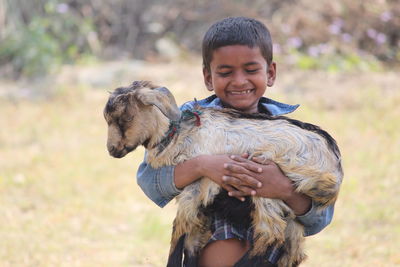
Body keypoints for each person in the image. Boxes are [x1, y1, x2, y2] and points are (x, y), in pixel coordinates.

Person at [137, 17, 335, 267]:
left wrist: (283, 188)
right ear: (208, 77)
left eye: (251, 70)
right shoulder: (186, 124)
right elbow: (150, 181)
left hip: (271, 252)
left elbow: (319, 219)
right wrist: (202, 166)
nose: (239, 81)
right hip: (209, 243)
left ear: (270, 73)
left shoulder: (289, 138)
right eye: (225, 72)